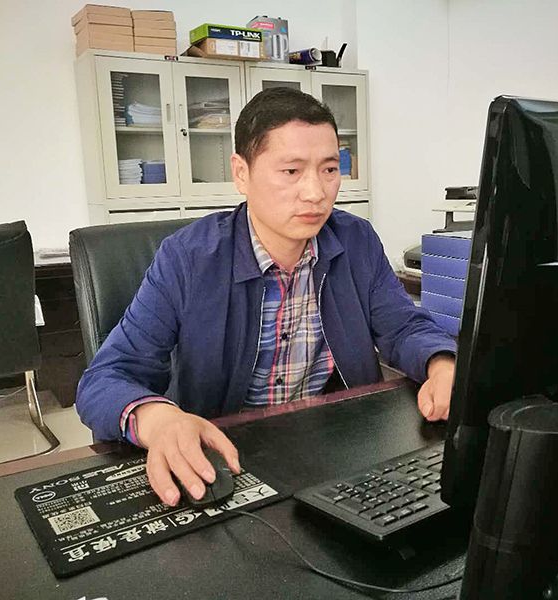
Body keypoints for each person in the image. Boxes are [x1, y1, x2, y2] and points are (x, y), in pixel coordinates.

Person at [75, 87, 457, 507]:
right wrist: (158, 419)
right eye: (291, 171)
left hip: (337, 450)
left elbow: (403, 326)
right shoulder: (187, 259)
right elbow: (105, 379)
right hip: (227, 457)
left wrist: (442, 364)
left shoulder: (355, 240)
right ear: (241, 173)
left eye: (330, 169)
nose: (316, 192)